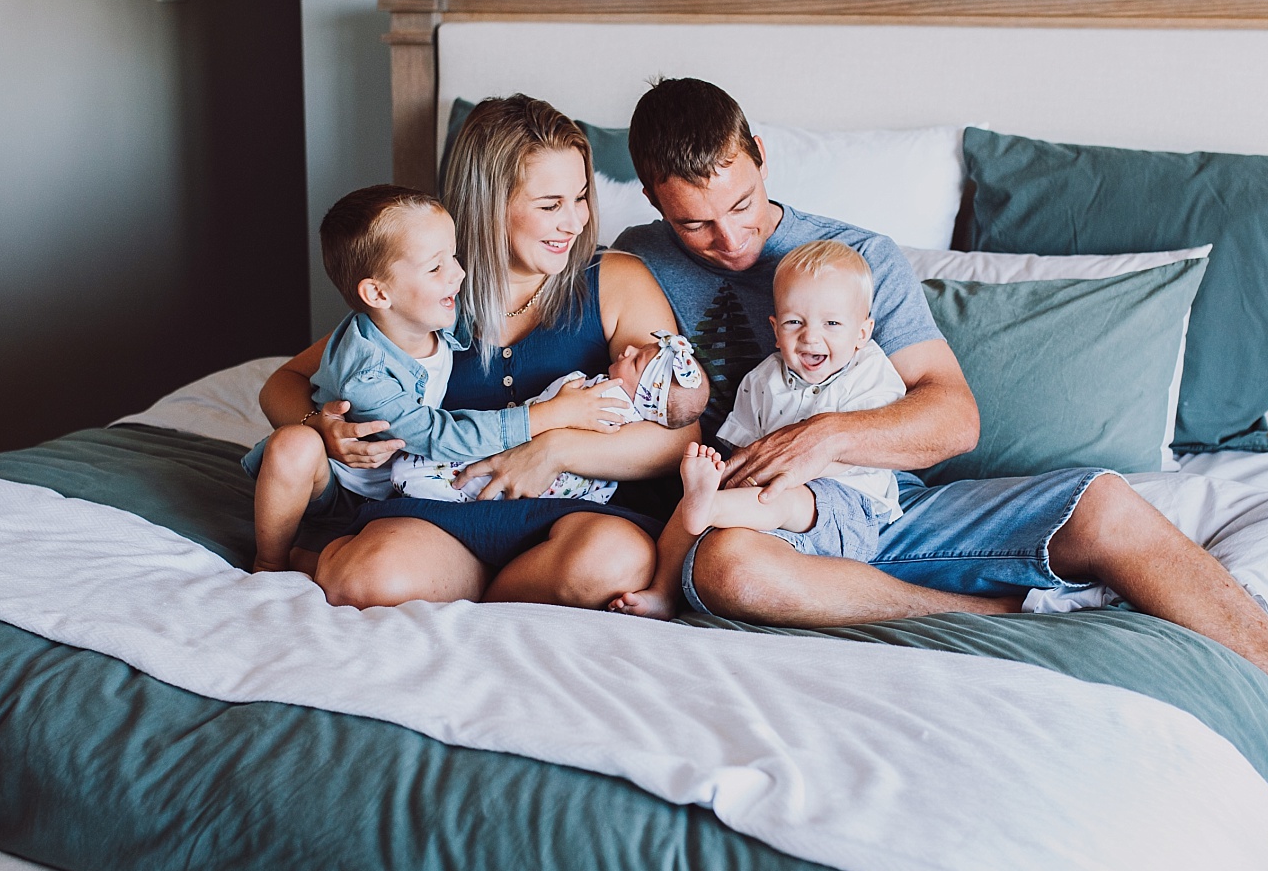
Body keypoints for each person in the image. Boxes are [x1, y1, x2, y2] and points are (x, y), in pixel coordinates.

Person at [613, 76, 1268, 815]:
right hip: (759, 520)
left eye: (742, 204)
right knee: (728, 568)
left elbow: (954, 420)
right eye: (696, 224)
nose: (732, 239)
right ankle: (1008, 620)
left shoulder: (855, 256)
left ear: (760, 154)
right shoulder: (635, 262)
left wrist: (827, 435)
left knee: (1105, 502)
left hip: (889, 503)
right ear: (653, 200)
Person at [258, 94, 697, 609]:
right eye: (550, 205)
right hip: (439, 514)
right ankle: (479, 586)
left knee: (616, 563)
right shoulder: (432, 285)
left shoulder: (616, 280)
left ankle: (477, 594)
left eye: (580, 197)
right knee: (366, 579)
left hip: (571, 515)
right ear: (488, 204)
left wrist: (553, 450)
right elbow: (283, 383)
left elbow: (678, 434)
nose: (575, 222)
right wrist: (321, 426)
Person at [244, 184, 628, 573]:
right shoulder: (366, 373)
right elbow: (438, 436)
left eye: (455, 256)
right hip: (341, 485)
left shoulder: (425, 315)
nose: (459, 274)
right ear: (378, 294)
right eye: (435, 267)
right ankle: (270, 561)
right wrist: (549, 415)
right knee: (293, 445)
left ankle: (321, 555)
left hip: (396, 489)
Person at [611, 241, 904, 618]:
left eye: (832, 324)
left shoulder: (872, 374)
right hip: (766, 505)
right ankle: (663, 591)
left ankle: (710, 508)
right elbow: (745, 452)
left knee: (782, 497)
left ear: (862, 333)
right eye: (794, 322)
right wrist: (726, 480)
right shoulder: (762, 379)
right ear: (775, 329)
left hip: (848, 505)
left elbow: (865, 447)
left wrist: (781, 475)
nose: (810, 337)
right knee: (698, 498)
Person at [392, 331, 708, 504]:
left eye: (636, 361)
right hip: (527, 454)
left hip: (536, 469)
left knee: (457, 472)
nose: (627, 349)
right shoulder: (613, 395)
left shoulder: (612, 404)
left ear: (647, 398)